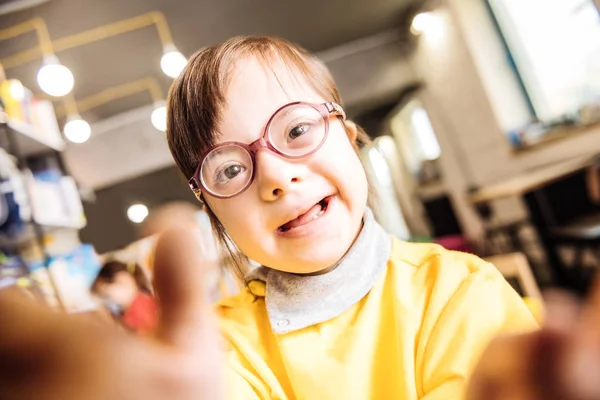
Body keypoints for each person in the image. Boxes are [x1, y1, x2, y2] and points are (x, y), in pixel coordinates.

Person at [1, 35, 600, 400]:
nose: (276, 176)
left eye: (296, 130)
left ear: (349, 132)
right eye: (229, 169)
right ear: (212, 210)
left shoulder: (458, 292)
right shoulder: (222, 347)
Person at [91, 260, 158, 335]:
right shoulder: (149, 298)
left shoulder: (133, 315)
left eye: (106, 295)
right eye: (104, 296)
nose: (108, 301)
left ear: (122, 278)